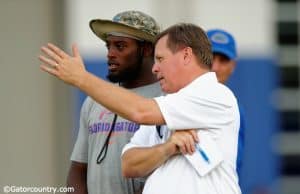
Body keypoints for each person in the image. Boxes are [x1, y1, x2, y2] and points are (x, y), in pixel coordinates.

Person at [39, 23, 241, 194]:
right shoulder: (168, 103)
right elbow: (129, 165)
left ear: (186, 55)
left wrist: (82, 79)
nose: (155, 68)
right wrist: (168, 147)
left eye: (160, 59)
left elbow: (140, 112)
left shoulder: (214, 94)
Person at [40, 10, 161, 194]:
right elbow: (78, 170)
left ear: (147, 50)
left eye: (120, 46)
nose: (110, 54)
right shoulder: (93, 101)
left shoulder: (166, 100)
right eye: (108, 46)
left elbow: (164, 173)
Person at [207, 29, 245, 179]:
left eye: (223, 60)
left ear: (233, 66)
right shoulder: (175, 97)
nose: (215, 67)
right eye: (210, 58)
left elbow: (234, 166)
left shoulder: (236, 110)